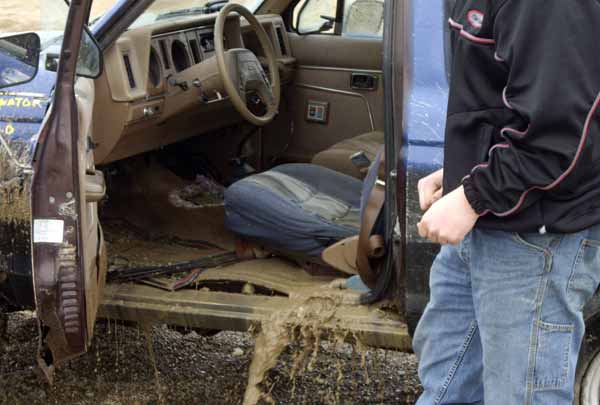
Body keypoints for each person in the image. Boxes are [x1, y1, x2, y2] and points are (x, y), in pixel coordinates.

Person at [412, 0, 600, 404]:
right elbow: (500, 99)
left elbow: (558, 138)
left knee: (523, 396)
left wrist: (474, 196)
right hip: (488, 217)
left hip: (537, 239)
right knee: (447, 388)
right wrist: (463, 172)